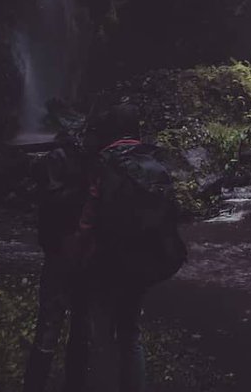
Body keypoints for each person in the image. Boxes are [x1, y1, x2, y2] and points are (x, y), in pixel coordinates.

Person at [74, 103, 186, 392]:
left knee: (101, 335)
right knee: (130, 334)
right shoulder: (155, 164)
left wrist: (78, 252)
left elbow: (89, 217)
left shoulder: (104, 163)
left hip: (105, 261)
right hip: (141, 262)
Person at [23, 114, 91, 392]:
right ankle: (71, 382)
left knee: (55, 320)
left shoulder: (59, 158)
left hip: (64, 252)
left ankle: (38, 383)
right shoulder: (90, 159)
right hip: (82, 251)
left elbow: (49, 202)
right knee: (78, 321)